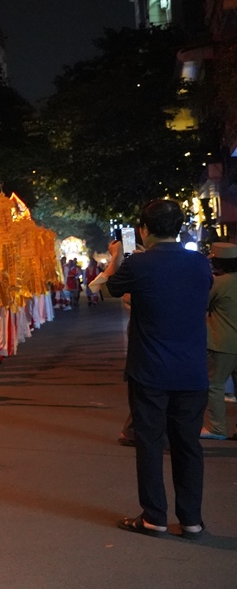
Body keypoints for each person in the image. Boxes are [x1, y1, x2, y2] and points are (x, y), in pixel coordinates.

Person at [104, 200, 212, 539]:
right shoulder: (199, 264)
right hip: (192, 370)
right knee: (188, 445)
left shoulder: (139, 264)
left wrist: (114, 258)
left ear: (143, 230)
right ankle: (192, 519)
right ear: (179, 227)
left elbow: (107, 290)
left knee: (150, 443)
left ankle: (154, 517)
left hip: (149, 369)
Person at [201, 242, 237, 440]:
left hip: (222, 343)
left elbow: (202, 304)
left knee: (214, 385)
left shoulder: (218, 283)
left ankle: (216, 427)